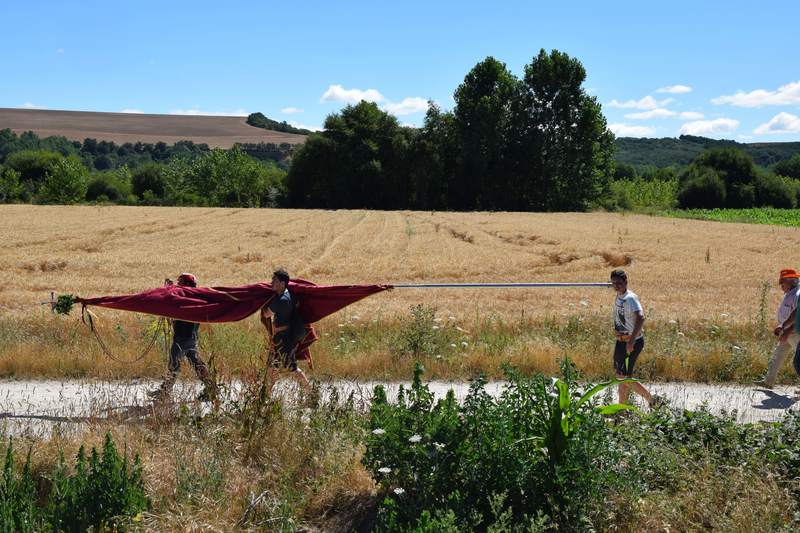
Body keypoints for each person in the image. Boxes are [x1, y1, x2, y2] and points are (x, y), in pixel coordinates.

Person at [148, 273, 216, 402]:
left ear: (186, 284)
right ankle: (211, 388)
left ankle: (165, 392)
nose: (178, 285)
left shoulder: (186, 297)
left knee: (174, 363)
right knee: (197, 363)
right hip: (191, 337)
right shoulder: (196, 297)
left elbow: (176, 300)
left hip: (182, 337)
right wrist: (170, 287)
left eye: (181, 283)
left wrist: (169, 288)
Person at [610, 269, 659, 407]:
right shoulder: (619, 295)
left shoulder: (631, 298)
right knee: (621, 377)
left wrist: (631, 341)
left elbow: (641, 317)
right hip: (620, 342)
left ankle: (652, 401)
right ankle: (622, 410)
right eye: (614, 283)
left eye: (619, 283)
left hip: (631, 343)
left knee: (623, 377)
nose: (616, 285)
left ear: (626, 282)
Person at [260, 268, 311, 393]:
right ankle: (266, 396)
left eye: (274, 280)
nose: (271, 282)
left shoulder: (281, 300)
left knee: (292, 369)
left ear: (282, 283)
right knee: (272, 368)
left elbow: (266, 314)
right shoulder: (290, 295)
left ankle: (311, 394)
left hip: (283, 340)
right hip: (282, 338)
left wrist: (262, 303)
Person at [754, 269, 800, 389]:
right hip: (787, 332)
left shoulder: (797, 295)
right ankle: (768, 382)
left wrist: (787, 331)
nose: (780, 285)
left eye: (782, 282)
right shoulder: (790, 294)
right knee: (777, 356)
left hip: (795, 334)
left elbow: (798, 316)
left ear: (790, 282)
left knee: (798, 361)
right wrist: (782, 328)